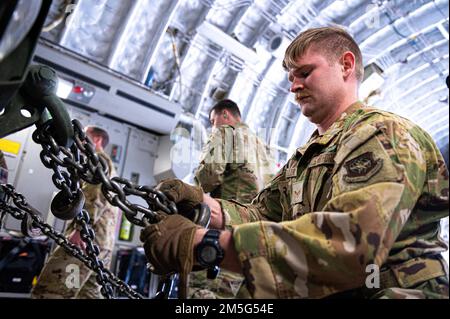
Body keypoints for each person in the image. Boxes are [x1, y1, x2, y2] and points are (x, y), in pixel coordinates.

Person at [140, 26, 449, 299]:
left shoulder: (382, 135)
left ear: (346, 65)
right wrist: (205, 205)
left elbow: (349, 247)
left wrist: (204, 243)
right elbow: (262, 214)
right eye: (290, 78)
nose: (293, 86)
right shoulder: (307, 157)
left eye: (305, 73)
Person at [190, 99, 276, 299]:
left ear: (225, 115)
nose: (213, 125)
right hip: (257, 236)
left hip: (225, 231)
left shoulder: (225, 133)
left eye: (213, 120)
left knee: (204, 291)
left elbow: (208, 177)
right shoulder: (263, 146)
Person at [32, 126, 119, 299]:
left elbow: (95, 197)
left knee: (50, 291)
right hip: (103, 242)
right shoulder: (106, 164)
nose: (78, 140)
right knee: (89, 294)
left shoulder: (98, 159)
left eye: (83, 135)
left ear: (97, 140)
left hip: (86, 240)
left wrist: (81, 230)